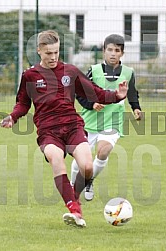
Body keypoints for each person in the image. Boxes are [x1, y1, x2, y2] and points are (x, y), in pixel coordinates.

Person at [0, 30, 128, 228]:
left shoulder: (70, 71)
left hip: (73, 126)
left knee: (86, 167)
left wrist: (117, 96)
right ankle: (74, 209)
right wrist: (13, 117)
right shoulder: (30, 75)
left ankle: (73, 196)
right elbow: (23, 104)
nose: (53, 57)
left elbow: (95, 93)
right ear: (39, 51)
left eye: (56, 52)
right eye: (48, 53)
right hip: (48, 131)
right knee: (56, 158)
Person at [70, 34, 142, 201]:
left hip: (113, 121)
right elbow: (79, 92)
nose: (113, 54)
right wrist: (91, 104)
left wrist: (136, 108)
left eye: (117, 50)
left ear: (122, 53)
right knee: (81, 159)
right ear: (104, 51)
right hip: (90, 121)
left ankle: (88, 180)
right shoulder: (93, 71)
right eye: (109, 50)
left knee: (103, 151)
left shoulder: (128, 73)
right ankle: (74, 186)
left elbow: (132, 93)